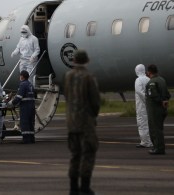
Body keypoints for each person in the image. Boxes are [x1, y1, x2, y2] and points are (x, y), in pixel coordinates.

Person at [64, 49, 100, 195]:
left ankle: (73, 188)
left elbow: (67, 96)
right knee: (88, 153)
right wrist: (93, 116)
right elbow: (95, 101)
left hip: (71, 123)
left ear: (73, 61)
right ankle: (85, 188)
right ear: (87, 61)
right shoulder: (89, 77)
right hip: (85, 122)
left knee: (75, 155)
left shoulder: (67, 76)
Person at [145, 64, 171, 155]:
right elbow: (168, 94)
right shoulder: (162, 80)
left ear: (149, 72)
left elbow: (153, 96)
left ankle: (158, 148)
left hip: (155, 109)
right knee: (159, 129)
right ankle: (159, 147)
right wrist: (165, 100)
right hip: (163, 109)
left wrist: (160, 101)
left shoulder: (151, 82)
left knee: (155, 129)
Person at [8, 70, 35, 144]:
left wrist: (11, 103)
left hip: (25, 106)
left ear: (22, 76)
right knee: (31, 122)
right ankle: (31, 139)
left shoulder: (23, 84)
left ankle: (26, 139)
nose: (19, 77)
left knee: (25, 122)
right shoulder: (30, 84)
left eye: (20, 75)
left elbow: (19, 97)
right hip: (32, 106)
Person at [134, 64, 153, 148]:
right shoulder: (148, 79)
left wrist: (146, 101)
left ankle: (145, 142)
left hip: (141, 106)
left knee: (142, 123)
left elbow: (139, 92)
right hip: (149, 105)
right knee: (149, 123)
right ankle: (150, 140)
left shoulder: (138, 80)